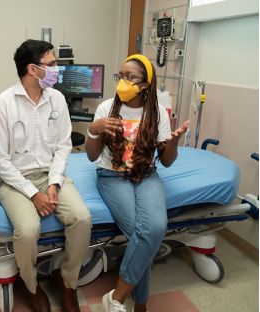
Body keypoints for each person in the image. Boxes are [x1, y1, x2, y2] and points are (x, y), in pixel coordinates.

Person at [0, 39, 92, 312]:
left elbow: (63, 146)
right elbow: (1, 161)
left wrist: (55, 183)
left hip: (50, 174)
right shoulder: (3, 104)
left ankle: (68, 281)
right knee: (27, 231)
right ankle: (31, 285)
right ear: (33, 69)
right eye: (53, 64)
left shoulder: (57, 99)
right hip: (16, 180)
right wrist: (34, 195)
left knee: (81, 218)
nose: (57, 69)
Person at [85, 54, 189, 312]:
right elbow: (91, 155)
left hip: (147, 174)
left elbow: (166, 162)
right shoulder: (106, 108)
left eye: (130, 77)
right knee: (142, 235)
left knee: (154, 226)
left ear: (145, 85)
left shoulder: (157, 114)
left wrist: (172, 142)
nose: (122, 82)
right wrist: (94, 129)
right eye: (120, 76)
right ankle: (140, 304)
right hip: (112, 175)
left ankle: (116, 299)